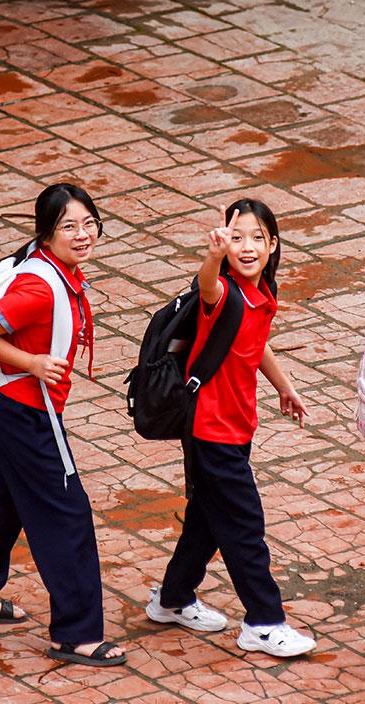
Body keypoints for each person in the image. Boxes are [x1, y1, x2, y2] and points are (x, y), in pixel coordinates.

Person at [0, 183, 125, 668]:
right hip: (27, 413)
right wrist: (30, 362)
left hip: (18, 411)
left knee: (5, 502)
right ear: (46, 235)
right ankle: (77, 633)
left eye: (90, 223)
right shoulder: (39, 286)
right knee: (66, 515)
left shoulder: (56, 270)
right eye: (69, 226)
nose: (83, 234)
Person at [146, 199, 317, 658]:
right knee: (244, 526)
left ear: (273, 244)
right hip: (212, 430)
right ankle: (263, 622)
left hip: (238, 427)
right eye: (235, 236)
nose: (246, 246)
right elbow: (207, 286)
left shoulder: (262, 293)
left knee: (206, 520)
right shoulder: (222, 293)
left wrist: (284, 386)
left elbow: (256, 345)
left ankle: (172, 599)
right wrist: (213, 256)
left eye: (256, 237)